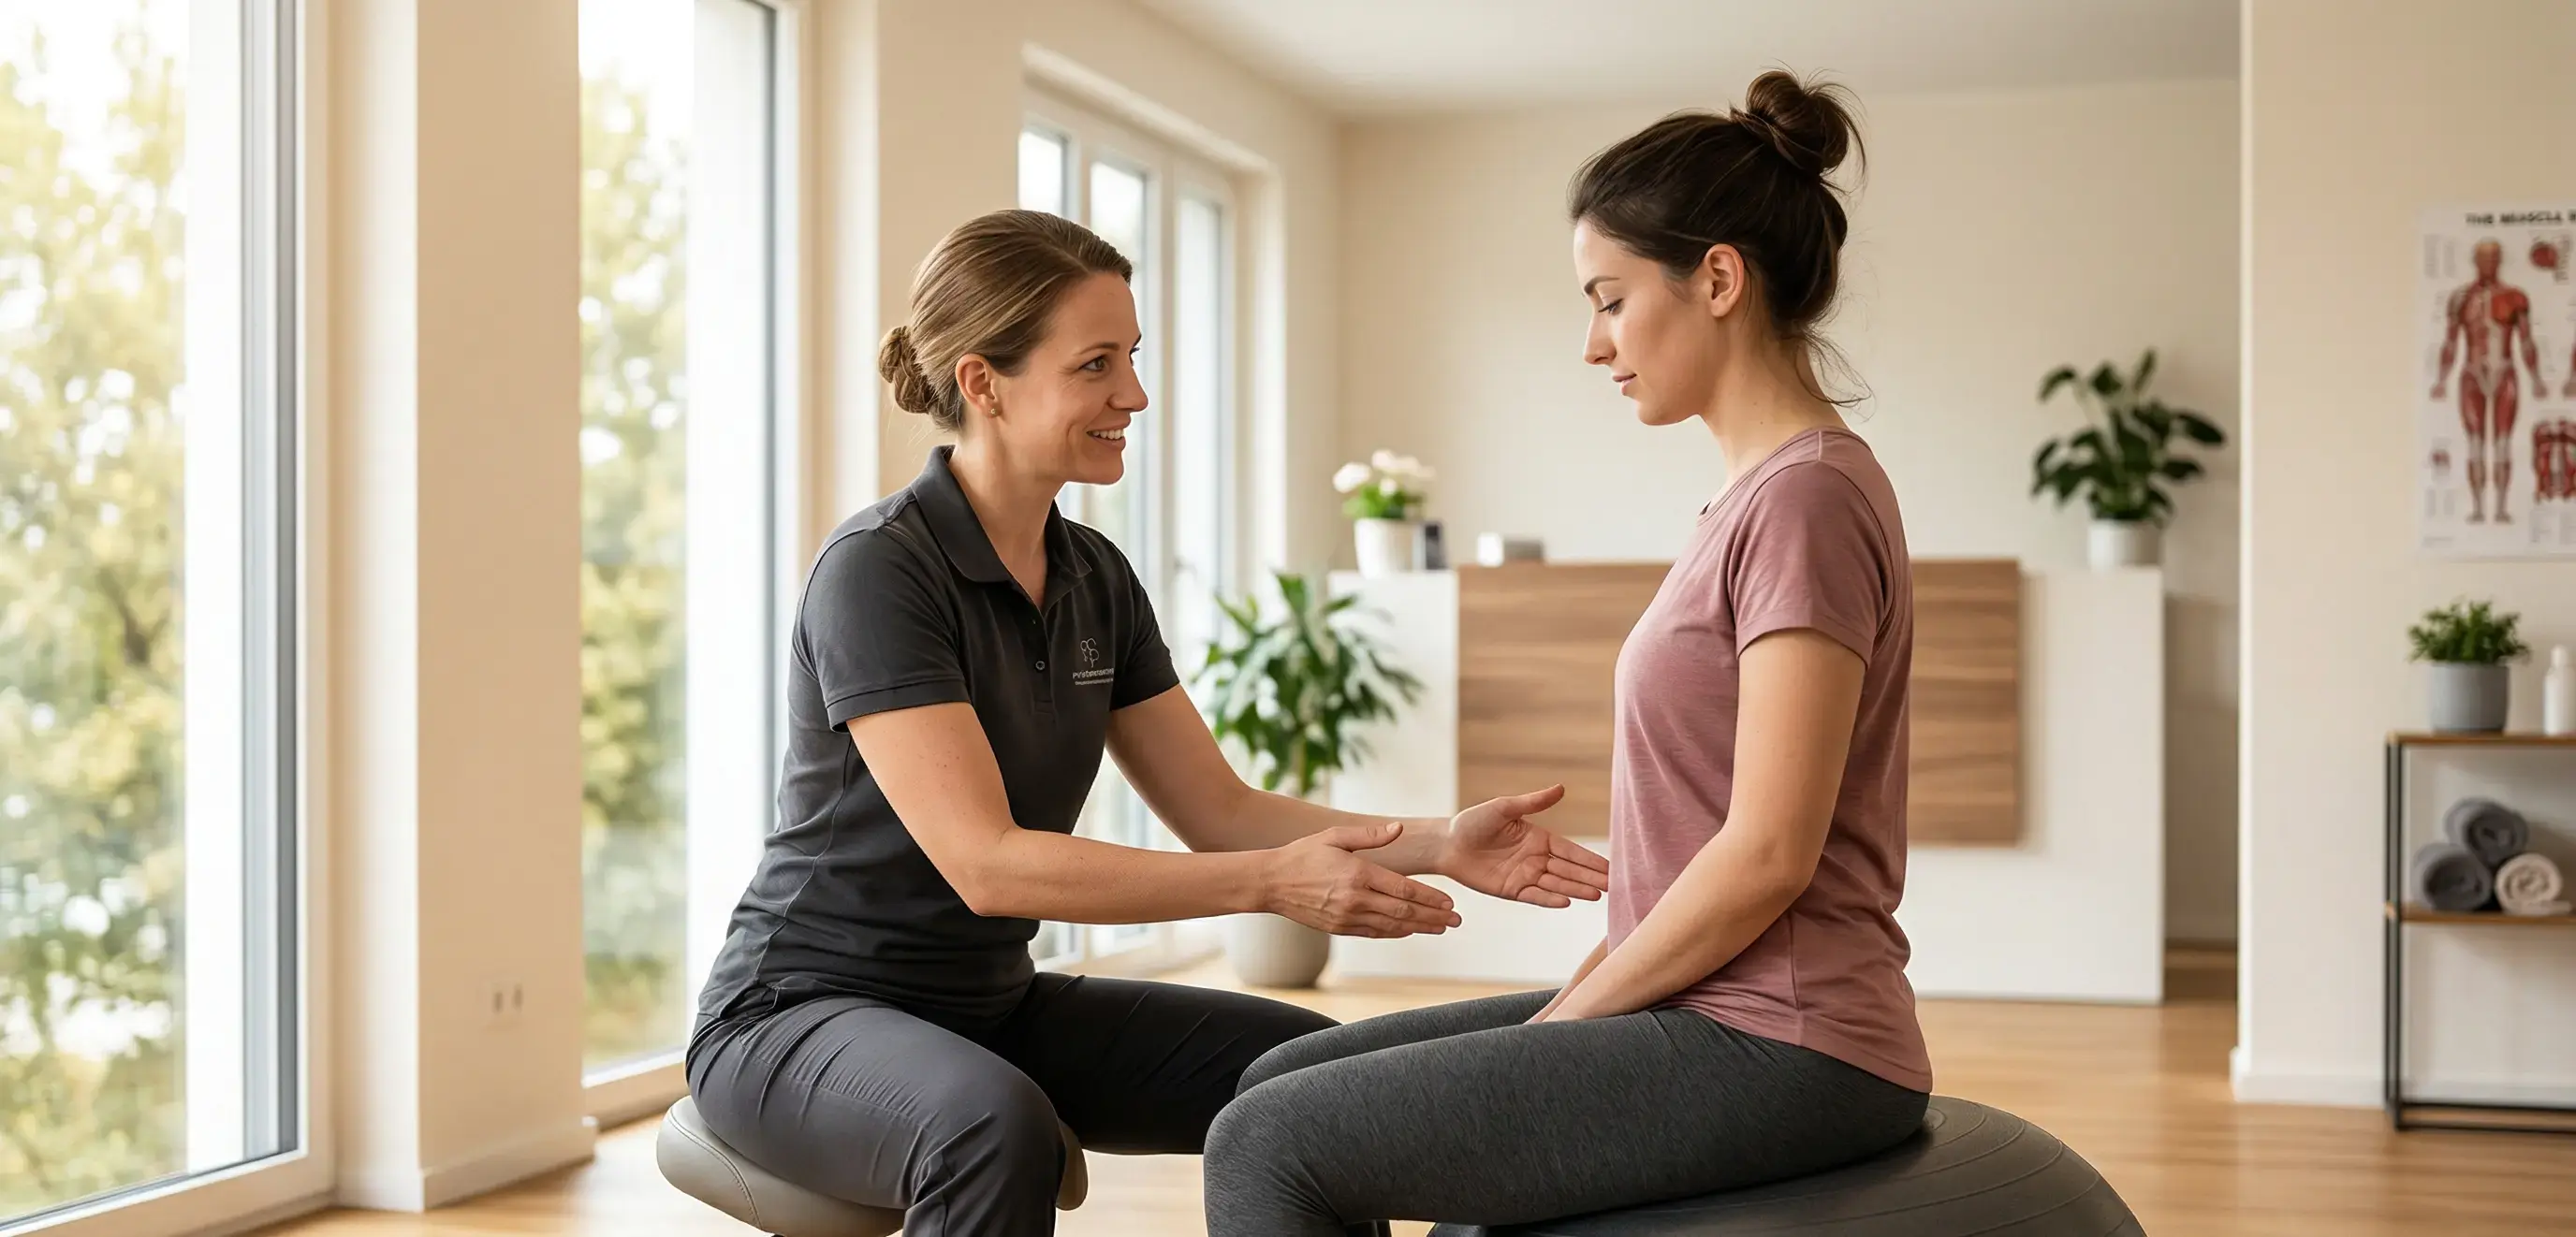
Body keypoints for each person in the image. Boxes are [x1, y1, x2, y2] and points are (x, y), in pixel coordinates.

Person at [683, 209, 1609, 1237]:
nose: (1134, 393)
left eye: (1131, 356)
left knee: (1320, 1085)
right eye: (1095, 363)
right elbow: (987, 864)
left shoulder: (1094, 577)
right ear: (984, 383)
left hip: (989, 1002)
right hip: (796, 1017)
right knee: (991, 1127)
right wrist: (1272, 883)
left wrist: (1439, 841)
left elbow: (1217, 806)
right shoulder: (881, 570)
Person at [1202, 71, 1933, 1236]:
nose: (1593, 343)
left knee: (1270, 1140)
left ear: (1719, 279)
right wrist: (1580, 1000)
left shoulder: (1805, 503)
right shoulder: (1755, 498)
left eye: (1608, 298)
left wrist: (1565, 1027)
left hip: (1783, 1035)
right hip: (1719, 1005)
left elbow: (1767, 855)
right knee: (1271, 1087)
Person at [2431, 238, 2546, 524]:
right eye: (2484, 258)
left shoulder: (2515, 297)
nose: (2490, 264)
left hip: (2505, 372)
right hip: (2471, 373)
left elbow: (2527, 342)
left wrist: (2536, 379)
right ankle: (2479, 509)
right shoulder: (2460, 298)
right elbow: (2450, 343)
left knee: (2503, 443)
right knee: (2475, 443)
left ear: (2501, 261)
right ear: (2475, 261)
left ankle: (2503, 508)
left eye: (2495, 258)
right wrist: (2441, 380)